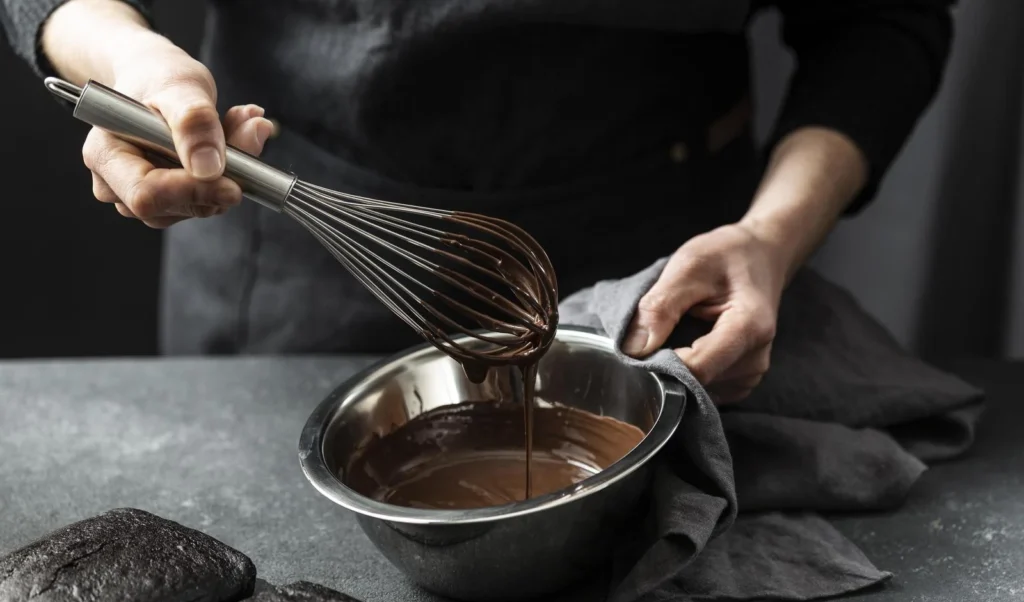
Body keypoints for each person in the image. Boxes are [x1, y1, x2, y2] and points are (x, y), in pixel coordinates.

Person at [2, 0, 954, 404]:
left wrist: (770, 236)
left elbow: (879, 20)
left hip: (665, 279)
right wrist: (125, 60)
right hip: (301, 267)